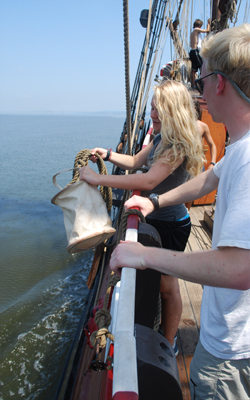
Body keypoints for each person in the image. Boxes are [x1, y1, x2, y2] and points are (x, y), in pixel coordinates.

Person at [110, 23, 250, 400]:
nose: (199, 90)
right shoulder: (240, 146)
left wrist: (144, 254)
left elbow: (240, 269)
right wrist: (153, 201)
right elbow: (207, 181)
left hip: (232, 352)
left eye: (202, 79)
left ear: (219, 83)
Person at [79, 80, 205, 354]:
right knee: (159, 283)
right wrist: (109, 154)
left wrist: (97, 178)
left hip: (170, 225)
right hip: (155, 220)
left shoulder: (177, 145)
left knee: (168, 288)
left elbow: (147, 181)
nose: (153, 113)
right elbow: (136, 162)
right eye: (152, 106)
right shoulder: (161, 138)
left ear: (175, 111)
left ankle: (168, 343)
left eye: (160, 108)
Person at [194, 98, 217, 169]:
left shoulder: (202, 126)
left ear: (196, 110)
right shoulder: (180, 126)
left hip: (198, 165)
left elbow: (212, 145)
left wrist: (212, 163)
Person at [189, 19, 210, 88]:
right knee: (202, 66)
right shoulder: (196, 30)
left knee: (194, 69)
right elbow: (207, 30)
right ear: (198, 26)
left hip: (192, 51)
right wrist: (208, 23)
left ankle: (193, 84)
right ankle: (203, 83)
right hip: (196, 51)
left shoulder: (192, 33)